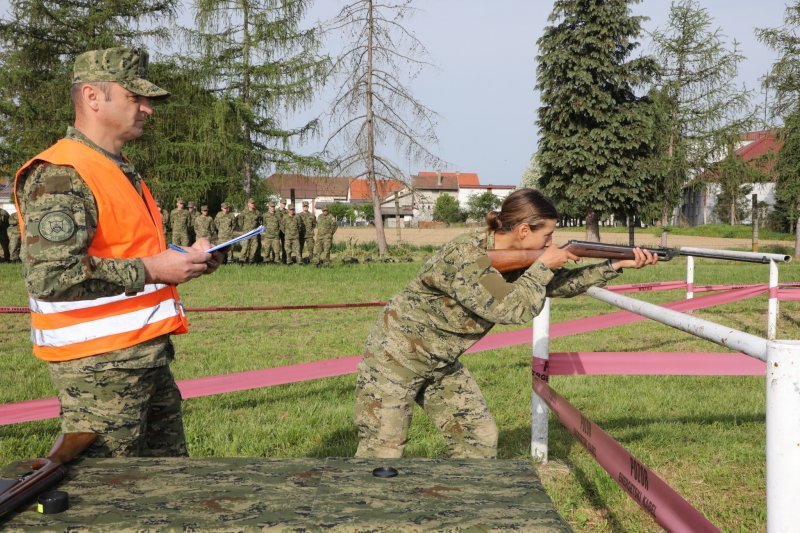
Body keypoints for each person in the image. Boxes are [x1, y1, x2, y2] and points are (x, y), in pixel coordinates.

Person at [13, 47, 225, 458]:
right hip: (98, 372)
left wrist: (185, 259)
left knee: (165, 487)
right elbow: (50, 277)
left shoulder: (116, 167)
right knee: (109, 498)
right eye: (136, 98)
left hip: (144, 357)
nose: (148, 109)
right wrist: (153, 268)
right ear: (93, 97)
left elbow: (130, 250)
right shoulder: (61, 173)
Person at [353, 189, 658, 459]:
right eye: (547, 236)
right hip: (396, 357)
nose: (551, 243)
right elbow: (513, 308)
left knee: (478, 440)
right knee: (382, 451)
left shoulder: (513, 256)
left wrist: (614, 264)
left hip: (439, 360)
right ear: (524, 230)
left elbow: (553, 286)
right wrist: (542, 267)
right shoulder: (468, 258)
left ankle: (459, 513)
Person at [238, 197, 262, 264]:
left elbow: (260, 221)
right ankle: (241, 260)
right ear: (248, 204)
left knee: (254, 247)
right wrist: (243, 228)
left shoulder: (257, 213)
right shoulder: (244, 212)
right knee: (245, 247)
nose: (253, 204)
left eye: (254, 203)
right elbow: (240, 222)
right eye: (252, 203)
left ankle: (251, 260)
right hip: (246, 233)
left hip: (254, 233)